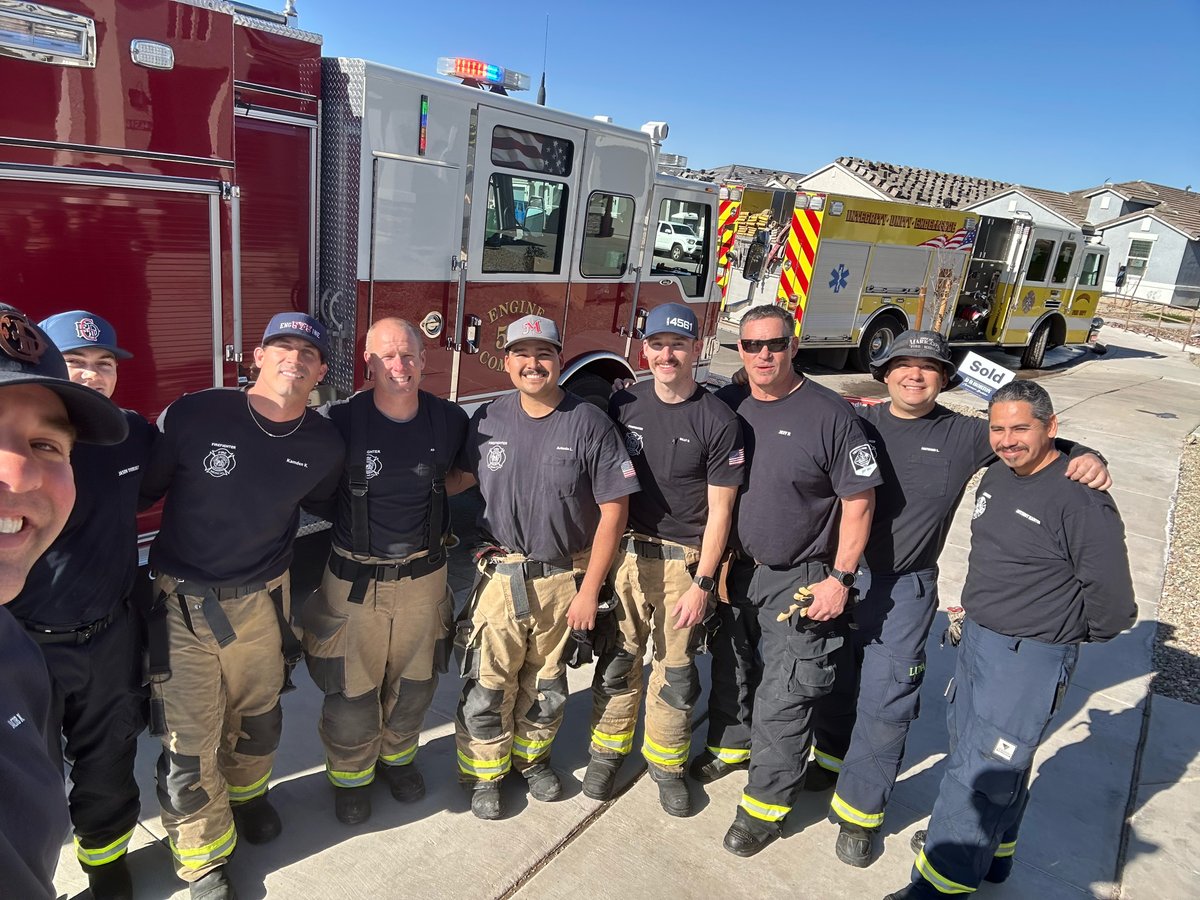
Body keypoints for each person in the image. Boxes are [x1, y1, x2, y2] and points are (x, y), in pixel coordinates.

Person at [808, 331, 1111, 869]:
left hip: (904, 589)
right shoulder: (857, 421)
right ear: (884, 373)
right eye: (903, 364)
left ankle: (859, 814)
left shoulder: (965, 434)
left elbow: (1033, 440)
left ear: (946, 378)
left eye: (929, 367)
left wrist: (1088, 455)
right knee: (831, 679)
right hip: (836, 577)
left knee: (886, 701)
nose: (915, 375)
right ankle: (829, 761)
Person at [884, 379, 1135, 899]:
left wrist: (1057, 637)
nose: (1007, 440)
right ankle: (994, 853)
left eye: (1021, 428)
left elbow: (1113, 602)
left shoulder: (1080, 500)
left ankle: (938, 886)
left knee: (981, 771)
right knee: (981, 755)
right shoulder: (998, 474)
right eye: (998, 429)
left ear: (1051, 427)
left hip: (1029, 657)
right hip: (978, 642)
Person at [139, 313, 344, 900]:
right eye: (281, 345)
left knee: (259, 720)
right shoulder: (196, 414)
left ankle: (249, 797)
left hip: (263, 604)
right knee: (188, 742)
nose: (294, 358)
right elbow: (136, 490)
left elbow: (330, 504)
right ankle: (201, 859)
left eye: (308, 352)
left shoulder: (323, 443)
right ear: (256, 355)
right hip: (182, 605)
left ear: (321, 372)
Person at [699, 304, 883, 857]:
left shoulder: (831, 416)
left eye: (775, 344)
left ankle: (765, 806)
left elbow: (860, 503)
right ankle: (732, 748)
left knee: (787, 691)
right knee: (733, 667)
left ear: (794, 345)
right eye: (751, 345)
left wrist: (840, 578)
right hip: (739, 568)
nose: (763, 355)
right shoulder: (730, 404)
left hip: (802, 575)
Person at [454, 314, 640, 820]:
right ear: (507, 362)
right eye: (522, 354)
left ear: (559, 360)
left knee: (547, 685)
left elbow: (614, 511)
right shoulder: (488, 418)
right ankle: (485, 774)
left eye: (544, 354)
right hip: (500, 576)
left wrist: (590, 590)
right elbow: (459, 478)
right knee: (487, 683)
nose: (532, 364)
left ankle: (531, 761)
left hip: (563, 581)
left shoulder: (589, 422)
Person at [8, 311, 156, 900]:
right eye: (76, 363)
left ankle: (105, 860)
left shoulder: (133, 434)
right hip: (28, 643)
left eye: (104, 364)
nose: (92, 375)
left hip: (109, 636)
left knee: (109, 759)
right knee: (28, 774)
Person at [301, 318, 467, 825]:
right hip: (354, 582)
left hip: (424, 579)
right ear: (368, 363)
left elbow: (464, 475)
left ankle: (398, 760)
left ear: (424, 359)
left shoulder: (448, 420)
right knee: (351, 692)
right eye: (387, 356)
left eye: (409, 355)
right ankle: (350, 777)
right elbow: (311, 488)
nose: (400, 366)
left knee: (416, 683)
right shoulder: (338, 421)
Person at [582, 303, 743, 817]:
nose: (666, 355)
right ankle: (607, 753)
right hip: (628, 554)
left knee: (675, 673)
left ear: (696, 349)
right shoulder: (623, 404)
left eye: (677, 344)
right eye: (657, 344)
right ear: (644, 349)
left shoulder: (719, 420)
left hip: (683, 563)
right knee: (618, 661)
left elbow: (721, 512)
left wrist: (703, 581)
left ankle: (667, 765)